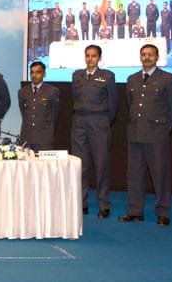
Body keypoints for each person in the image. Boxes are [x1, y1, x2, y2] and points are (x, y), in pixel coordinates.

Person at [119, 45, 172, 227]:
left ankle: (163, 213)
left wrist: (164, 129)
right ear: (140, 57)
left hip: (156, 135)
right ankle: (135, 211)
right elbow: (131, 103)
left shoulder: (168, 79)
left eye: (151, 55)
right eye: (144, 55)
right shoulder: (132, 79)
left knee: (160, 175)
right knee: (134, 175)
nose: (147, 58)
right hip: (135, 133)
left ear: (157, 57)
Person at [71, 45, 118, 218]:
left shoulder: (107, 76)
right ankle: (81, 204)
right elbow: (75, 98)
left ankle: (104, 205)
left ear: (99, 58)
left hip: (99, 122)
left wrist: (103, 121)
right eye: (87, 56)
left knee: (101, 166)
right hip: (79, 123)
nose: (90, 59)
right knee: (80, 166)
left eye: (93, 56)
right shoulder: (77, 75)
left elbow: (114, 104)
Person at [18, 61, 60, 151]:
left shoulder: (52, 91)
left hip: (44, 139)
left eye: (38, 72)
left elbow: (54, 116)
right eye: (32, 72)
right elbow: (24, 113)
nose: (34, 75)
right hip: (26, 138)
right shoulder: (22, 92)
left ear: (44, 74)